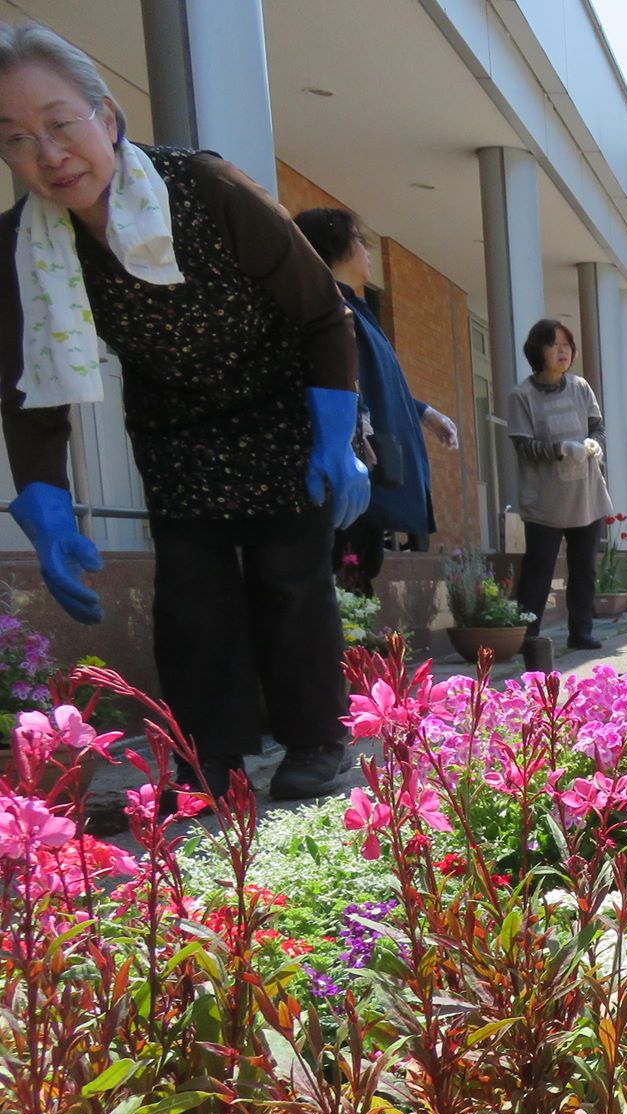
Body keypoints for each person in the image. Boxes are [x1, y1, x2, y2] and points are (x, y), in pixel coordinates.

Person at [0, 23, 367, 802]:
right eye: (16, 139)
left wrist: (337, 435)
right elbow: (33, 382)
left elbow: (321, 313)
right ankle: (211, 759)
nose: (49, 153)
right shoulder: (25, 248)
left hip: (281, 406)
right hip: (175, 427)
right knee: (192, 600)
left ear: (106, 117)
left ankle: (317, 742)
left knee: (289, 580)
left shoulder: (203, 187)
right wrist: (47, 501)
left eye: (61, 124)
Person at [293, 207, 460, 593]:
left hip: (361, 470)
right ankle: (349, 654)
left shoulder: (355, 307)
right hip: (347, 469)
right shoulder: (328, 308)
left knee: (360, 570)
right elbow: (341, 382)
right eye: (360, 242)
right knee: (348, 576)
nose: (367, 253)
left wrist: (426, 413)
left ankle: (357, 652)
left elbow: (377, 381)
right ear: (336, 247)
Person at [506, 318, 609, 652]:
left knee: (584, 569)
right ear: (538, 350)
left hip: (585, 494)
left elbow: (597, 427)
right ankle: (527, 635)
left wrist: (594, 444)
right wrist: (561, 449)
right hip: (545, 500)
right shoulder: (522, 395)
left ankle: (581, 632)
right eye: (554, 344)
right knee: (538, 568)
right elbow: (522, 445)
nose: (562, 350)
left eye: (567, 344)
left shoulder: (580, 387)